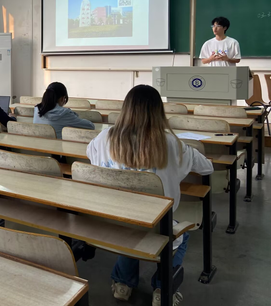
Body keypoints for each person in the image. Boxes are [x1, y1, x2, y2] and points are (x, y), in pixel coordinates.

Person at [86, 85, 213, 305]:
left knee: (130, 226)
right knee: (181, 235)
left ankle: (122, 284)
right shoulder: (171, 143)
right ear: (158, 112)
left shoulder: (105, 137)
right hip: (157, 224)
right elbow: (206, 168)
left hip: (112, 219)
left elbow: (90, 154)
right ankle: (163, 289)